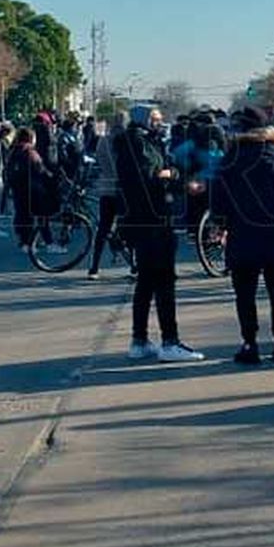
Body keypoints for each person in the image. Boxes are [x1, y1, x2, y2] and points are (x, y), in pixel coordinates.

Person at [212, 106, 274, 366]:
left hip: (242, 236)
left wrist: (220, 224)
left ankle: (250, 343)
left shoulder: (231, 159)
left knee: (245, 294)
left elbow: (218, 200)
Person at [115, 105, 204, 362]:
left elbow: (164, 171)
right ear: (144, 120)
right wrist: (170, 174)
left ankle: (140, 339)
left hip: (147, 219)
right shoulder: (138, 144)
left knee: (146, 282)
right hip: (151, 221)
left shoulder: (144, 142)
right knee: (163, 282)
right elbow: (153, 175)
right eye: (155, 119)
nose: (160, 122)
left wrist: (171, 174)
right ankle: (170, 341)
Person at [87, 111, 129, 280]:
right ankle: (134, 265)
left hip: (107, 188)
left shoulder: (103, 140)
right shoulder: (128, 140)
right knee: (128, 226)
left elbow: (99, 159)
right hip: (124, 189)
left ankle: (94, 268)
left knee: (103, 228)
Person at [6, 127, 55, 251]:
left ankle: (25, 243)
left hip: (19, 189)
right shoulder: (30, 151)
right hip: (33, 189)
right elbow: (40, 169)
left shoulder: (13, 150)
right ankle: (47, 242)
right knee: (42, 216)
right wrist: (51, 176)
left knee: (24, 215)